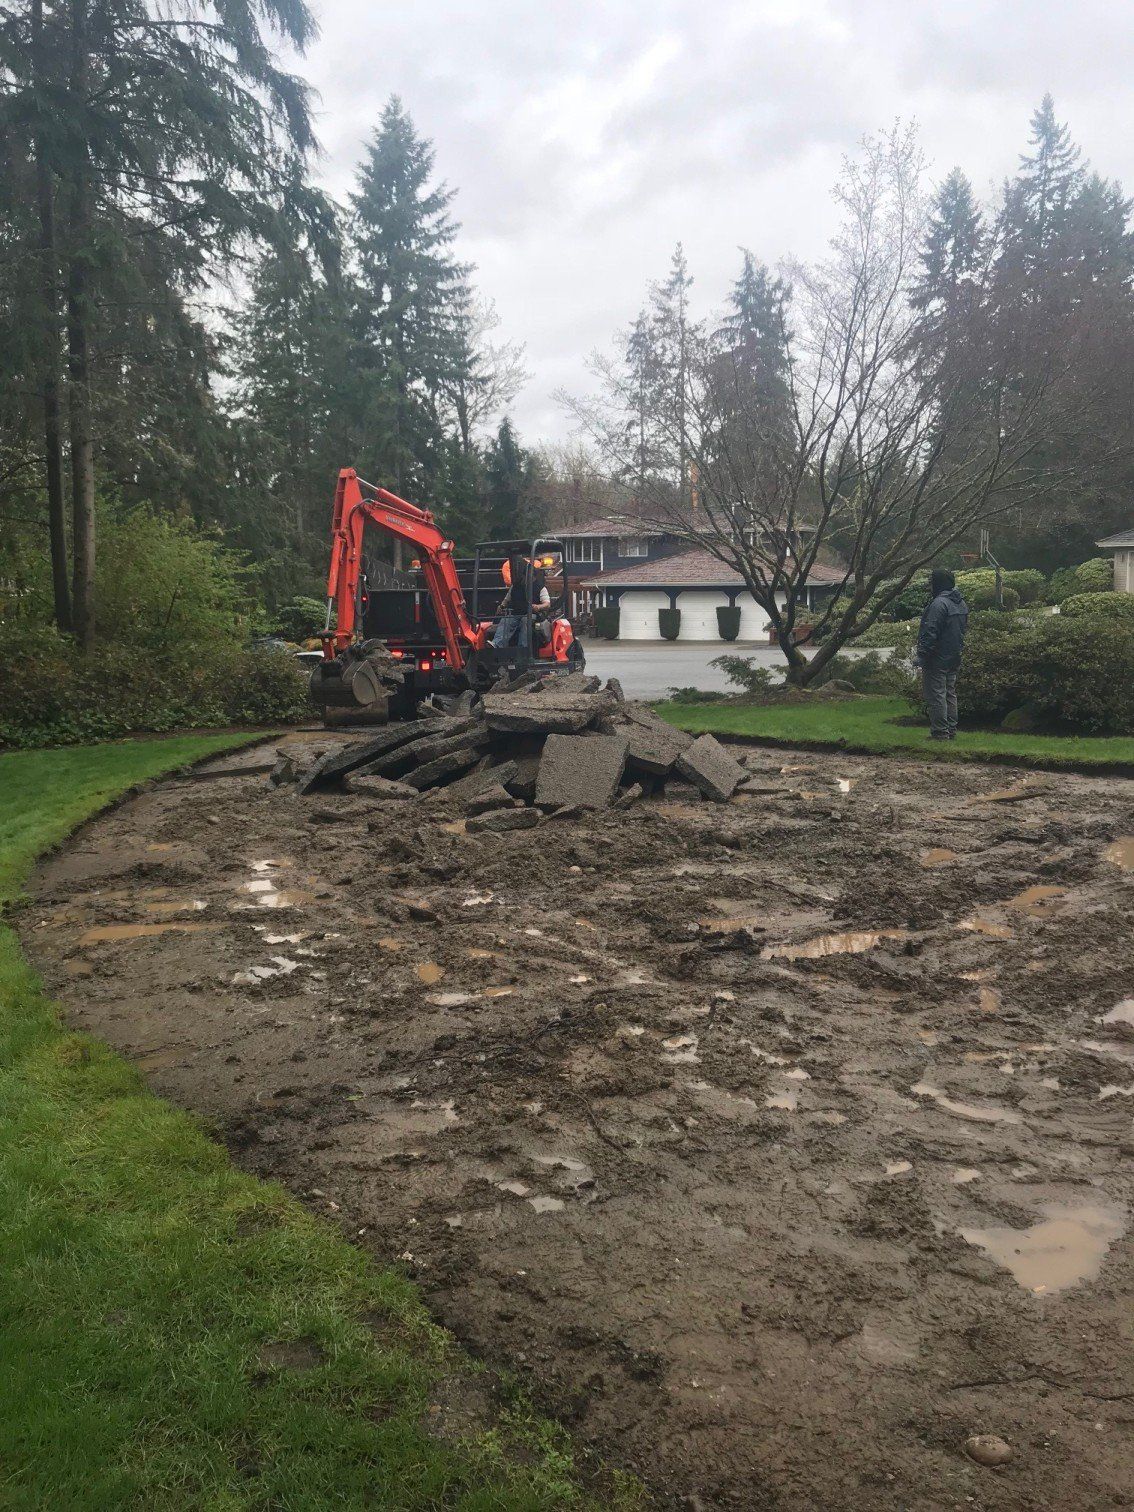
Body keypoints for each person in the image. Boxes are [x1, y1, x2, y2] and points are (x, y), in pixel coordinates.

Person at [915, 568, 969, 740]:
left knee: (937, 694)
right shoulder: (961, 603)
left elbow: (931, 631)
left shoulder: (939, 604)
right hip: (954, 656)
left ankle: (939, 732)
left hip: (937, 657)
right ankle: (951, 730)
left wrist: (922, 655)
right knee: (950, 693)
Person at [492, 554, 550, 650]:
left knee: (525, 621)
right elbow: (507, 599)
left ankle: (523, 648)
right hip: (516, 613)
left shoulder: (540, 588)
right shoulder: (515, 587)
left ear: (531, 576)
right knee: (506, 620)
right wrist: (501, 606)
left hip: (533, 615)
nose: (523, 578)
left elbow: (547, 604)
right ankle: (497, 644)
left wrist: (538, 607)